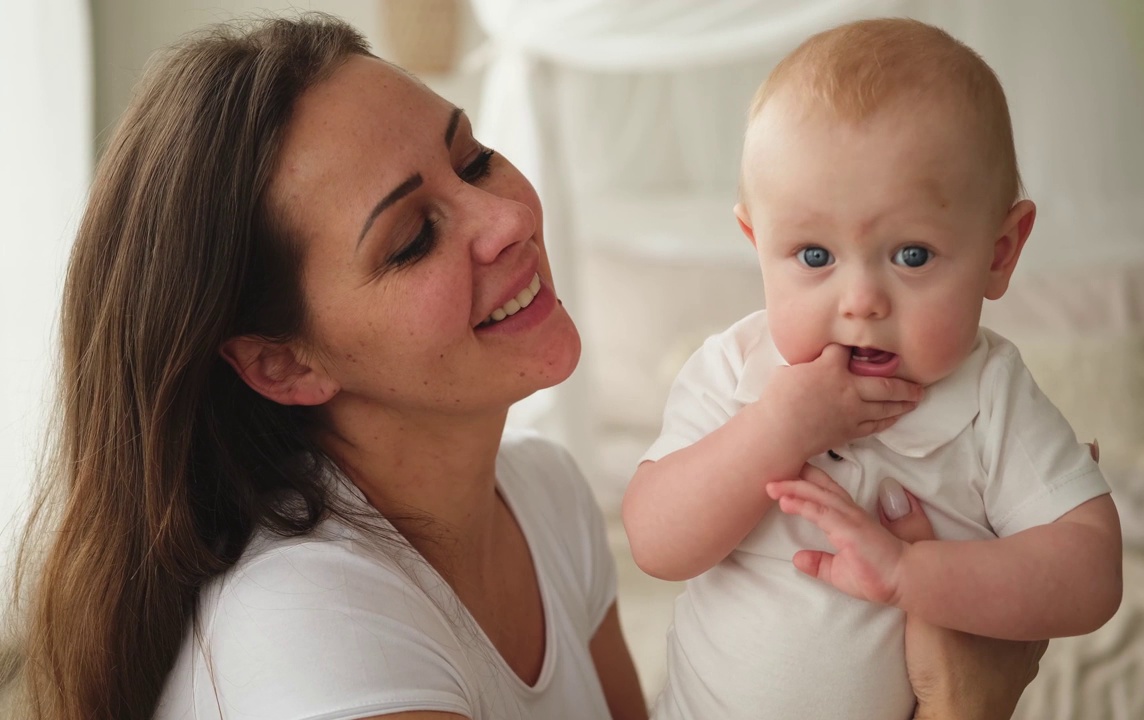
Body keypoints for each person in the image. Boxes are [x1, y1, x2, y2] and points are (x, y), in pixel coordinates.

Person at [6, 13, 1047, 720]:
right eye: (413, 237)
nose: (508, 216)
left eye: (471, 159)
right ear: (283, 365)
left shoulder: (543, 499)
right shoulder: (310, 630)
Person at [622, 17, 1124, 720]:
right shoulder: (738, 371)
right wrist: (775, 426)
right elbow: (654, 542)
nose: (860, 302)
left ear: (1000, 253)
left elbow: (1090, 573)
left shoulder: (989, 397)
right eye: (815, 257)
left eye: (911, 255)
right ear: (756, 243)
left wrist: (909, 573)